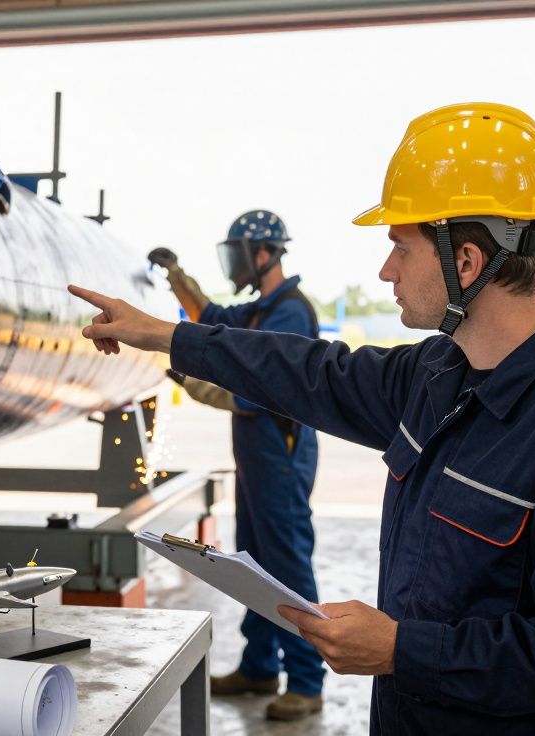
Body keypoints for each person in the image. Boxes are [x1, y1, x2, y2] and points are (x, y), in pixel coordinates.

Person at [68, 102, 535, 734]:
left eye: (399, 247)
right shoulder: (439, 374)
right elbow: (308, 371)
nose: (385, 270)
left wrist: (399, 650)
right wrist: (169, 336)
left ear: (465, 262)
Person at [149, 211, 325, 721]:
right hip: (255, 457)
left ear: (264, 254)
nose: (234, 264)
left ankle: (307, 682)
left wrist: (193, 383)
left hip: (279, 456)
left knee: (287, 568)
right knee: (254, 564)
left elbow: (261, 390)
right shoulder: (259, 311)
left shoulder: (290, 313)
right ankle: (258, 667)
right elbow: (210, 317)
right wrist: (177, 278)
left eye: (239, 253)